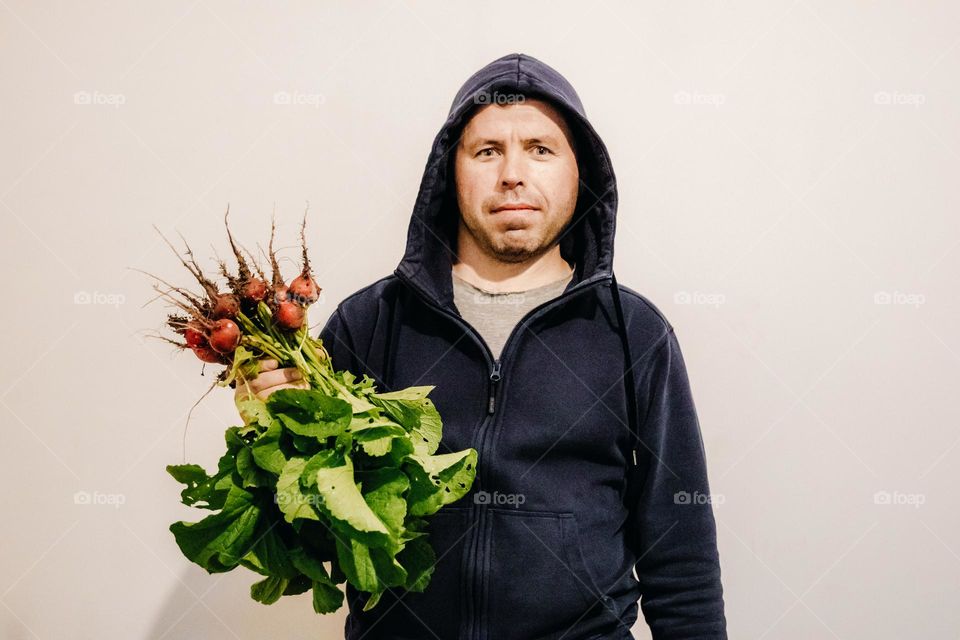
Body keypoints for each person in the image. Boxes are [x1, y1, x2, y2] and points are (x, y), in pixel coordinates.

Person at [237, 52, 728, 640]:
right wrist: (280, 433)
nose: (512, 174)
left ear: (580, 173)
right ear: (451, 170)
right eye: (487, 150)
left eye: (540, 149)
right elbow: (308, 542)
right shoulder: (369, 323)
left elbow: (683, 560)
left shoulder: (634, 333)